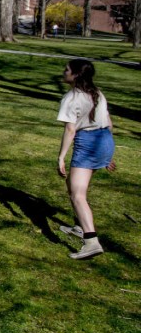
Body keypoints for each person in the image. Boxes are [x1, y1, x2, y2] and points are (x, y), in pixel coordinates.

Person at [56, 59, 116, 260]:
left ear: (75, 75)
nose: (64, 72)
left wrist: (61, 157)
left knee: (77, 194)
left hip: (88, 143)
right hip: (105, 140)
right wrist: (108, 154)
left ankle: (91, 241)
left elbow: (70, 129)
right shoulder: (97, 92)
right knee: (72, 184)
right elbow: (108, 120)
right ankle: (80, 226)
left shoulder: (71, 98)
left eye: (67, 70)